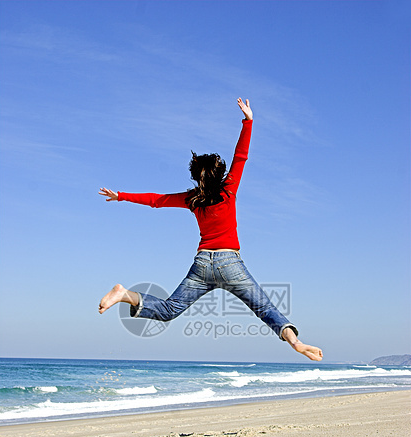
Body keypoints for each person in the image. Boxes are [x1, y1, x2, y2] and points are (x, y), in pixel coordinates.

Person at [99, 98, 323, 362]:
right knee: (264, 308)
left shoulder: (192, 198)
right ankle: (295, 342)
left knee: (169, 310)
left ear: (198, 176)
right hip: (230, 263)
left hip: (203, 264)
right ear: (220, 174)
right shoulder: (228, 190)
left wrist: (122, 196)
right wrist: (248, 121)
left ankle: (125, 294)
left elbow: (156, 200)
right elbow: (241, 156)